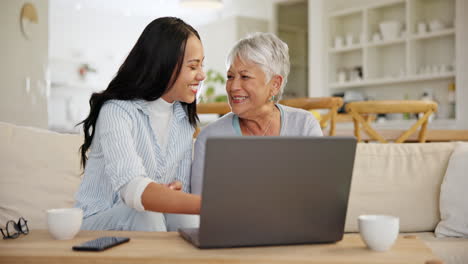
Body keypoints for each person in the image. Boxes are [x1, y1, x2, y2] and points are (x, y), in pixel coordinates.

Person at [74, 17, 205, 231]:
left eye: (202, 64)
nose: (202, 75)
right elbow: (133, 190)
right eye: (193, 66)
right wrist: (212, 206)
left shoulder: (183, 121)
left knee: (185, 218)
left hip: (146, 223)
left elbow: (179, 193)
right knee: (146, 214)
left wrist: (174, 191)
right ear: (165, 65)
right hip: (96, 224)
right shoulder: (117, 112)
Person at [191, 32, 323, 195]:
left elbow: (318, 194)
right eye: (230, 76)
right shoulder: (209, 138)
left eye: (245, 77)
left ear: (275, 84)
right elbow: (199, 207)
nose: (233, 87)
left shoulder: (304, 125)